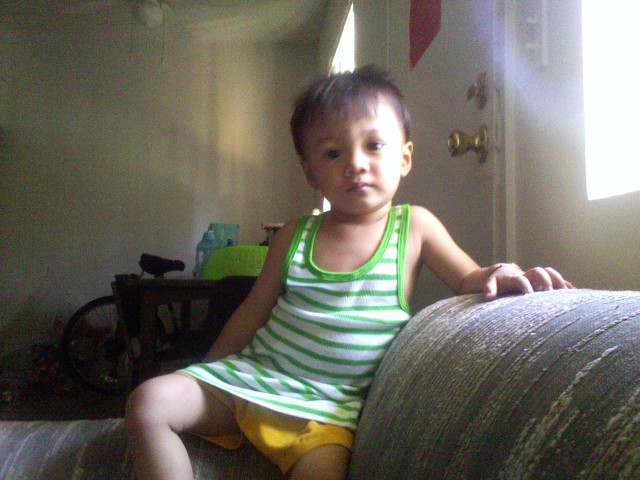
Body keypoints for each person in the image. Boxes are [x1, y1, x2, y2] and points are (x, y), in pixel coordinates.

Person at [125, 66, 573, 480]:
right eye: (333, 152)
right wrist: (210, 371)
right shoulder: (294, 235)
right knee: (147, 402)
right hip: (251, 381)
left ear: (405, 157)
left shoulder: (414, 226)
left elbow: (468, 278)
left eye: (374, 145)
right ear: (311, 172)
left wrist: (502, 271)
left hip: (326, 413)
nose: (355, 162)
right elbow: (252, 311)